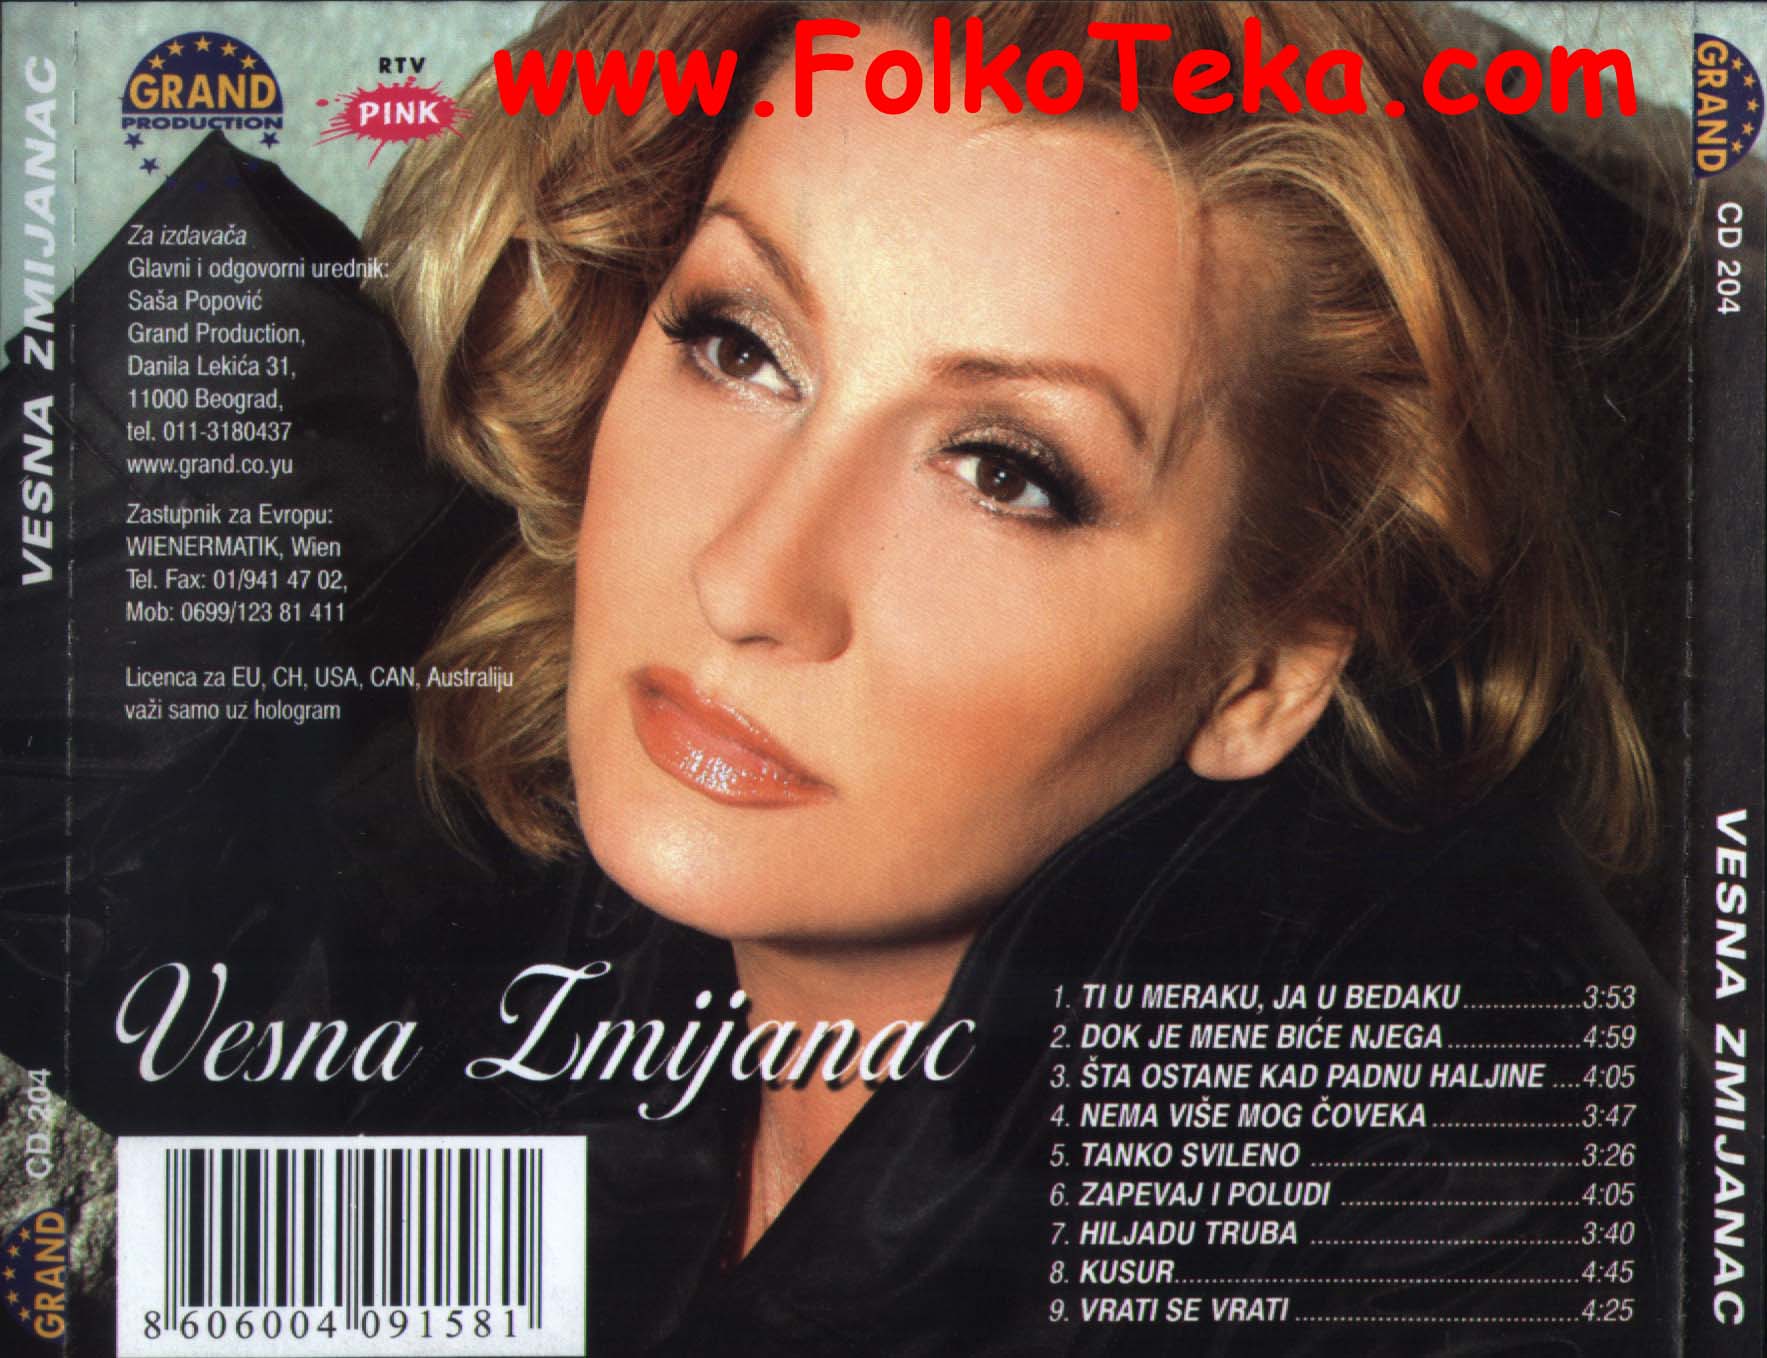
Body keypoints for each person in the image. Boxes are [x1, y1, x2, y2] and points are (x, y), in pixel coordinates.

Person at [363, 2, 1684, 1352]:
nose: (747, 579)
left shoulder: (1466, 1231)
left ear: (1267, 672)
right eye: (739, 344)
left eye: (1002, 471)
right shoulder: (416, 951)